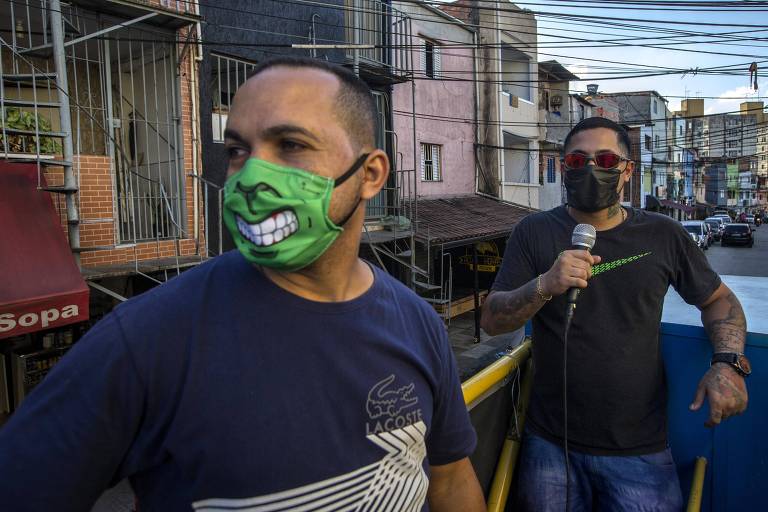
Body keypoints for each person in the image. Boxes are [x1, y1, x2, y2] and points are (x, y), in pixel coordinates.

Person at [0, 57, 485, 511]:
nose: (251, 177)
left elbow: (449, 479)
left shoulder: (417, 322)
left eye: (290, 145)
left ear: (371, 174)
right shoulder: (145, 340)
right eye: (237, 151)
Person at [481, 117, 749, 511]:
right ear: (564, 167)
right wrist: (544, 285)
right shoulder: (533, 232)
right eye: (578, 161)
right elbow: (492, 321)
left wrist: (727, 365)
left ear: (627, 170)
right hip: (550, 444)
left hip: (639, 448)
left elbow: (720, 302)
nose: (592, 169)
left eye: (606, 160)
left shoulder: (663, 234)